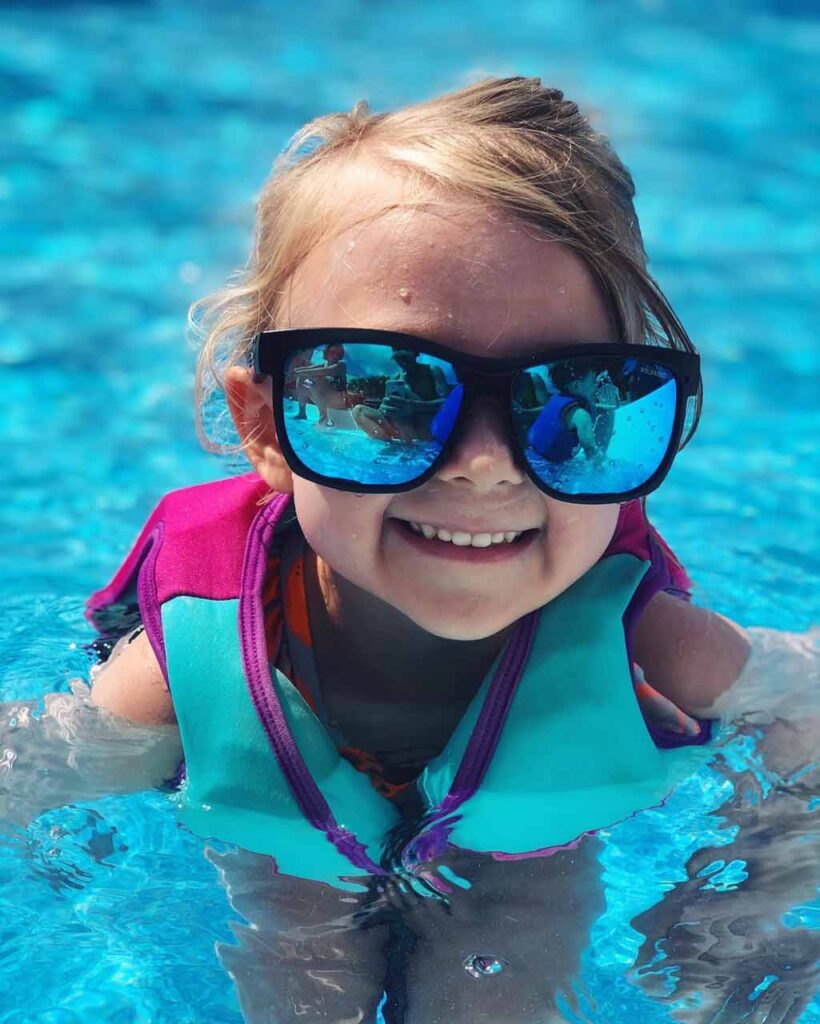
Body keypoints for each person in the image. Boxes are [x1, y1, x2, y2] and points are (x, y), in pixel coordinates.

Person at [20, 79, 757, 1021]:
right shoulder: (183, 662)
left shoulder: (658, 650)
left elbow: (805, 715)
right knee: (299, 968)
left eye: (570, 394)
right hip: (290, 842)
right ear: (267, 430)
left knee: (503, 966)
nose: (485, 466)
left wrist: (756, 881)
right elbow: (31, 769)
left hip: (524, 849)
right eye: (387, 391)